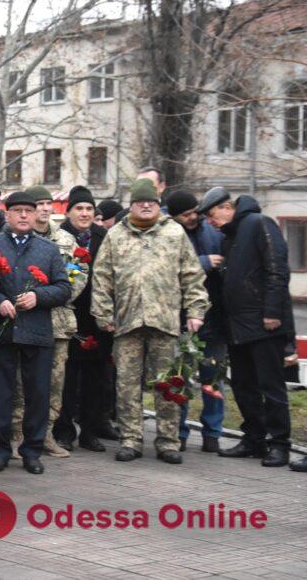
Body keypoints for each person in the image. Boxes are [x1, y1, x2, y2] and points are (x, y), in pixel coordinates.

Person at [90, 178, 208, 466]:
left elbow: (192, 275)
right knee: (126, 386)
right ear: (132, 206)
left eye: (151, 202)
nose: (146, 206)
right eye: (140, 202)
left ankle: (168, 441)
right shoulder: (116, 235)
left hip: (164, 322)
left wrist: (196, 311)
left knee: (168, 384)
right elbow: (102, 277)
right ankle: (130, 439)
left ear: (158, 205)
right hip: (126, 323)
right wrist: (103, 314)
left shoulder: (174, 233)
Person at [200, 187, 295, 467]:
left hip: (264, 324)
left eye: (212, 214)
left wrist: (272, 312)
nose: (210, 221)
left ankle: (280, 444)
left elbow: (277, 268)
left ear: (227, 207)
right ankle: (254, 439)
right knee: (243, 386)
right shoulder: (230, 237)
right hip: (237, 325)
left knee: (271, 387)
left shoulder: (258, 223)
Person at [0, 191, 71, 475]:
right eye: (17, 210)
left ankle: (32, 451)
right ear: (5, 214)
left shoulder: (48, 250)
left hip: (37, 332)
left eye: (28, 211)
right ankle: (0, 451)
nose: (23, 216)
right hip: (1, 331)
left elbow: (63, 288)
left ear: (36, 215)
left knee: (37, 394)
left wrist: (38, 296)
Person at [10, 185, 87, 460]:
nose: (43, 208)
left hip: (59, 321)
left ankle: (46, 434)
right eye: (38, 203)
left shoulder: (66, 240)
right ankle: (18, 433)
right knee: (20, 382)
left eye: (47, 203)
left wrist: (54, 297)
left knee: (54, 383)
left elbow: (79, 274)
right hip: (24, 320)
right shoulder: (15, 240)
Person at [56, 185, 117, 452]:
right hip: (69, 316)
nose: (84, 213)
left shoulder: (105, 237)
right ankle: (64, 429)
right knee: (66, 378)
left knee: (96, 378)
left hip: (98, 318)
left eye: (89, 209)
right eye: (79, 208)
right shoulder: (58, 237)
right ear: (68, 212)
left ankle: (90, 431)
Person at [168, 190, 226, 453]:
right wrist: (203, 262)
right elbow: (168, 270)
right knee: (180, 378)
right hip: (180, 320)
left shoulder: (213, 231)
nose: (193, 217)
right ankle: (178, 432)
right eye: (186, 214)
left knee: (212, 379)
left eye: (195, 212)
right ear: (174, 216)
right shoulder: (168, 234)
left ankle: (212, 433)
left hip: (213, 319)